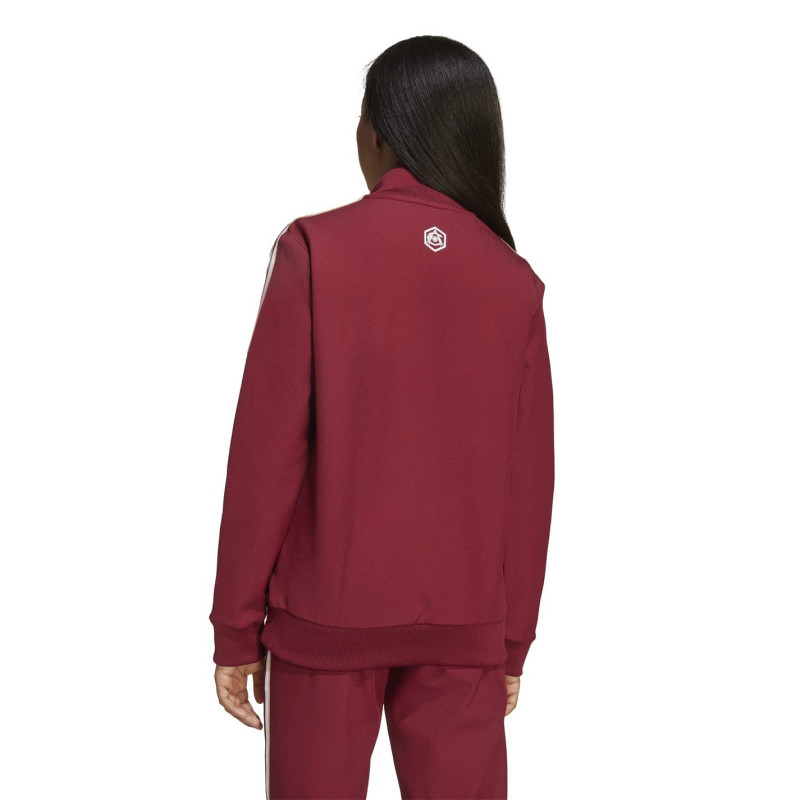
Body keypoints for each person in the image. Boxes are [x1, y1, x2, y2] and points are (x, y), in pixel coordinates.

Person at [209, 34, 555, 800]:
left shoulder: (315, 250)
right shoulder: (513, 281)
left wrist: (234, 627)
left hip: (324, 627)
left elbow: (266, 455)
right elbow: (528, 481)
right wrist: (510, 642)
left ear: (380, 134)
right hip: (466, 629)